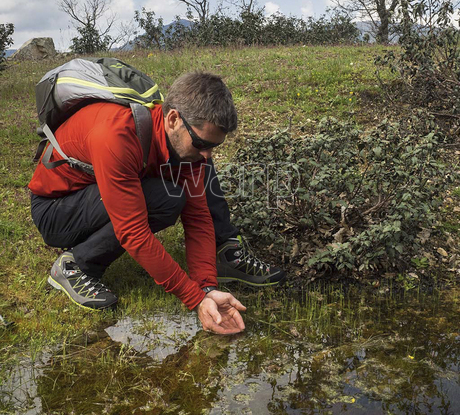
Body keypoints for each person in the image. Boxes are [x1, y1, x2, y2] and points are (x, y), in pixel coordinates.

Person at [28, 72, 285, 335]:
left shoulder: (185, 148)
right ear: (173, 119)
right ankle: (75, 265)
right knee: (159, 198)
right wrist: (194, 298)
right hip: (57, 210)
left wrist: (207, 287)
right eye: (202, 144)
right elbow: (133, 232)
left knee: (171, 196)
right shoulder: (116, 135)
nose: (207, 156)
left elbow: (198, 218)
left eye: (214, 147)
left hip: (97, 195)